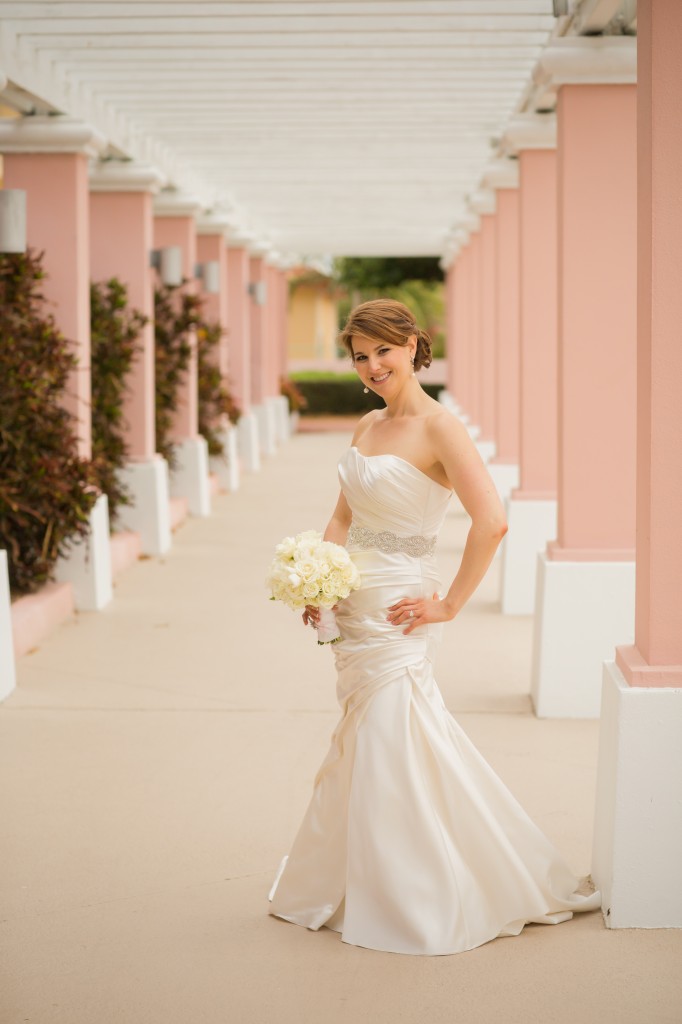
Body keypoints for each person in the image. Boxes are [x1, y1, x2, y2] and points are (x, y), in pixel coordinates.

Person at [268, 298, 601, 956]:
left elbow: (493, 521)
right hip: (356, 604)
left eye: (382, 351)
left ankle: (420, 893)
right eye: (360, 356)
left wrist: (448, 602)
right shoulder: (366, 425)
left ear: (413, 344)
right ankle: (364, 881)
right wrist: (322, 581)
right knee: (367, 738)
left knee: (398, 733)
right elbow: (342, 516)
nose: (371, 366)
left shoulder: (441, 427)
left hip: (402, 604)